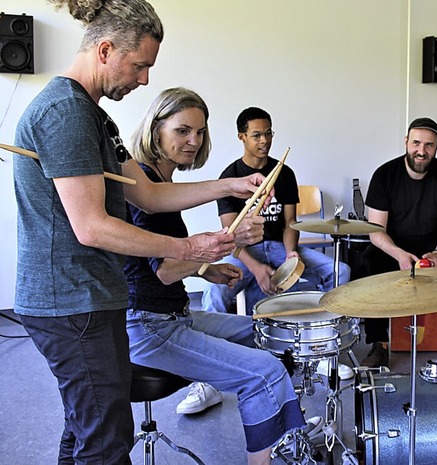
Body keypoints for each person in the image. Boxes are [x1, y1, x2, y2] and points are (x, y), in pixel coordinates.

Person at [11, 2, 268, 464]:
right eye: (140, 65)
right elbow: (91, 226)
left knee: (86, 427)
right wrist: (190, 248)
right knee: (107, 440)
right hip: (70, 301)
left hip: (93, 296)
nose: (145, 79)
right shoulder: (65, 113)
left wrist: (232, 184)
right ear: (106, 50)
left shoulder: (95, 115)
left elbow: (147, 195)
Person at [124, 88, 309, 465]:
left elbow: (170, 255)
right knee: (264, 373)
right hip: (147, 326)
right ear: (155, 129)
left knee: (270, 330)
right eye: (182, 131)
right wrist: (227, 245)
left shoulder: (161, 183)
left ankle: (282, 431)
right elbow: (161, 272)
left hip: (175, 316)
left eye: (201, 132)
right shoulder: (141, 186)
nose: (193, 141)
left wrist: (208, 270)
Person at [200, 107, 352, 378]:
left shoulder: (284, 173)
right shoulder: (230, 177)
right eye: (257, 134)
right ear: (241, 137)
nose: (265, 141)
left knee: (340, 271)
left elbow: (290, 222)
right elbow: (230, 234)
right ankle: (213, 371)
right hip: (245, 252)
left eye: (268, 133)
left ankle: (322, 349)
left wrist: (292, 252)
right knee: (214, 293)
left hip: (281, 245)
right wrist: (257, 268)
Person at [357, 117, 437, 368]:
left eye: (429, 145)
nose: (421, 151)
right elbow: (375, 232)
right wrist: (398, 253)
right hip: (393, 247)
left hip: (434, 248)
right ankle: (379, 344)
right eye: (416, 143)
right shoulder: (384, 175)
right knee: (368, 263)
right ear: (406, 142)